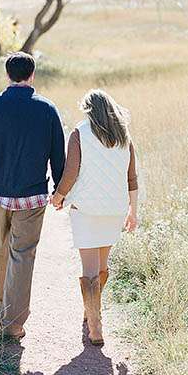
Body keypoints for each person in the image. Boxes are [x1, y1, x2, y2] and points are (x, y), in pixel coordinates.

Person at [0, 52, 66, 340]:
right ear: (32, 75)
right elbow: (57, 155)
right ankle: (13, 323)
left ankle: (0, 305)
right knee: (22, 255)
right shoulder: (47, 109)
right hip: (32, 198)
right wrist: (59, 191)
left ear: (8, 76)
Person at [51, 89, 138, 346]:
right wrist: (134, 211)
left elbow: (70, 173)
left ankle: (96, 326)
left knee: (89, 270)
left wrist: (59, 197)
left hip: (86, 209)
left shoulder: (79, 133)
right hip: (115, 209)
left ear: (88, 110)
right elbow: (132, 178)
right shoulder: (124, 136)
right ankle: (91, 312)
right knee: (101, 267)